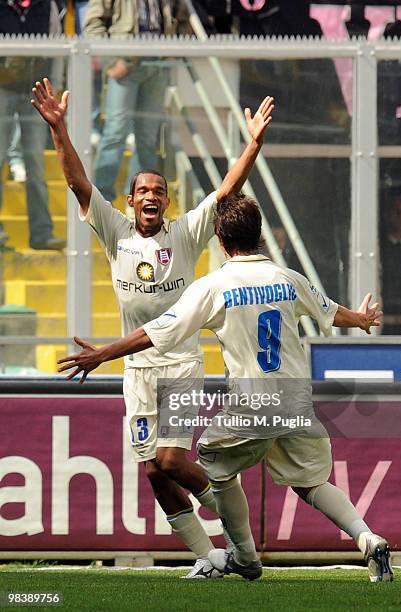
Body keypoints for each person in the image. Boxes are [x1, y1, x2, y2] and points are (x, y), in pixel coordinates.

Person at [58, 192, 392, 584]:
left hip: (253, 403)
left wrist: (102, 355)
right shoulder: (287, 277)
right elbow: (330, 312)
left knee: (213, 464)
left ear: (220, 239)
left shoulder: (213, 286)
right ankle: (366, 537)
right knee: (313, 483)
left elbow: (156, 332)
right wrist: (363, 319)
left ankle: (245, 558)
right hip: (297, 401)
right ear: (260, 235)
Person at [32, 77, 274, 578]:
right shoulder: (115, 230)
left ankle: (230, 520)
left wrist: (252, 144)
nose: (151, 196)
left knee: (169, 458)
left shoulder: (185, 233)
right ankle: (209, 557)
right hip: (136, 369)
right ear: (129, 199)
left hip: (181, 363)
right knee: (152, 470)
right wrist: (59, 128)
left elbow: (228, 190)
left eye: (159, 192)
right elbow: (78, 181)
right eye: (143, 190)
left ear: (166, 201)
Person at [84, 0, 188, 203]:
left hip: (158, 64)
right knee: (115, 132)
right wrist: (110, 61)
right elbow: (93, 22)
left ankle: (140, 199)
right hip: (125, 65)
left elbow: (182, 17)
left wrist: (176, 49)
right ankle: (100, 201)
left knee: (147, 137)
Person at [0, 0, 66, 250]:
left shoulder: (46, 5)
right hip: (2, 89)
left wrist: (55, 86)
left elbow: (58, 48)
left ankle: (41, 233)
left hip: (36, 91)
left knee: (35, 165)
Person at [381, 193, 401, 335]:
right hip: (383, 320)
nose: (400, 216)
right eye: (396, 211)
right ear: (388, 214)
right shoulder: (378, 248)